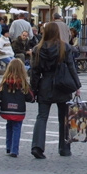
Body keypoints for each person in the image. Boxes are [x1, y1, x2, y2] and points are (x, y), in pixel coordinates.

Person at [29, 23, 82, 158]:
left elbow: (35, 72)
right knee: (64, 118)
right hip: (62, 84)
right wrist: (77, 86)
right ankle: (64, 148)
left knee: (41, 117)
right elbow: (71, 67)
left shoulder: (38, 48)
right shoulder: (65, 47)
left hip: (45, 84)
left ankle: (37, 146)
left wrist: (33, 89)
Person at [0, 58, 34, 158]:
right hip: (19, 111)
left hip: (6, 109)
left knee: (9, 126)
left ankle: (8, 147)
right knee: (17, 128)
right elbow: (30, 97)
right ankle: (14, 150)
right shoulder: (23, 83)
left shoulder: (4, 82)